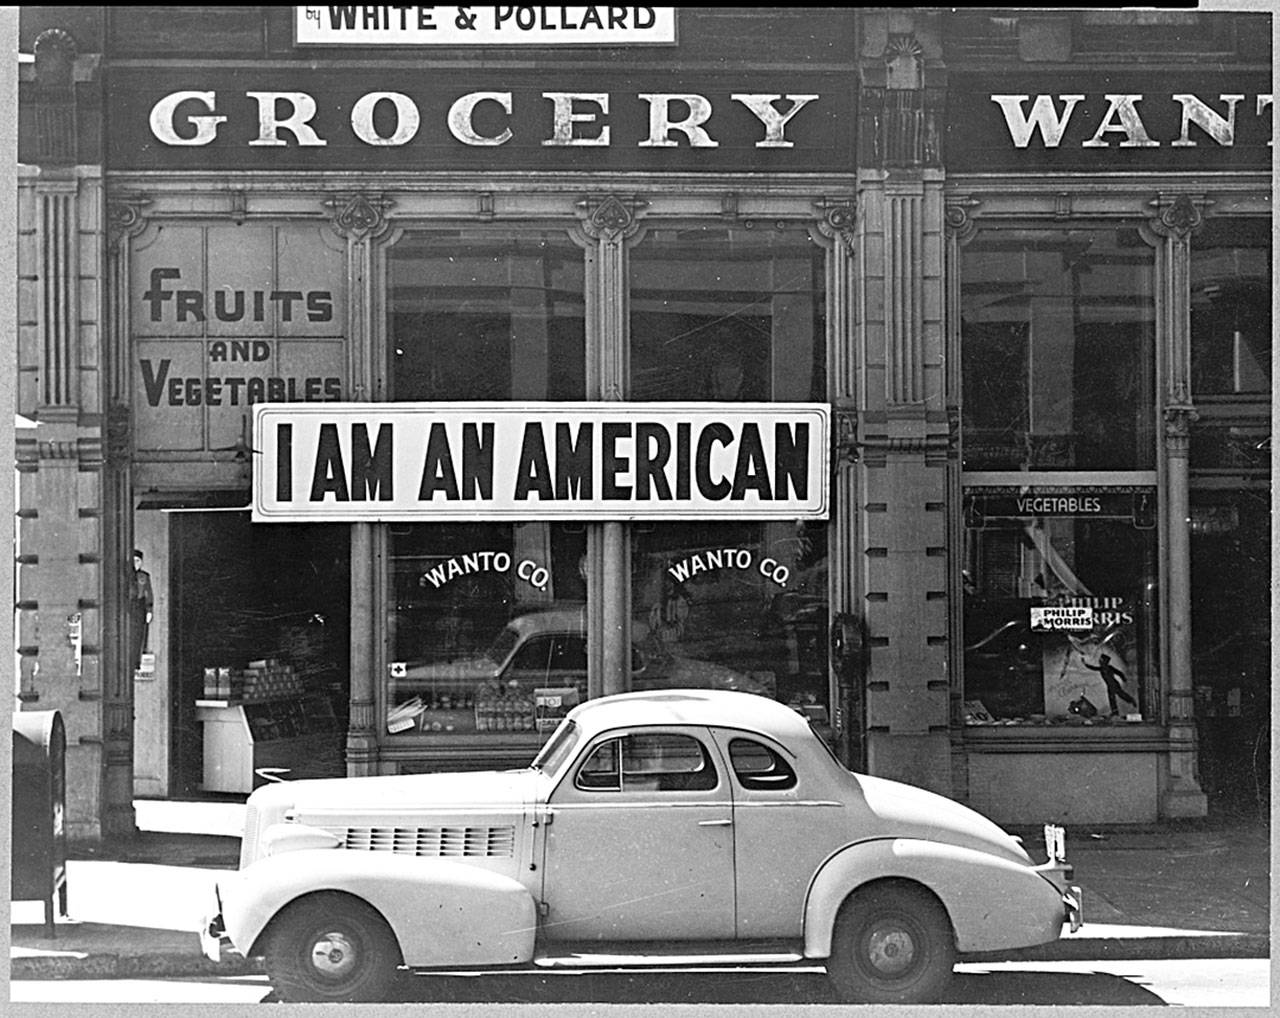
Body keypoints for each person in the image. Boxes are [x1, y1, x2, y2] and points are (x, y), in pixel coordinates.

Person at [130, 549, 154, 672]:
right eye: (133, 560)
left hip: (139, 607)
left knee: (139, 635)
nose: (136, 563)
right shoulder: (125, 576)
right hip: (128, 607)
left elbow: (148, 594)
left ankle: (136, 662)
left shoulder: (144, 576)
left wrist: (149, 610)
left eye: (138, 560)